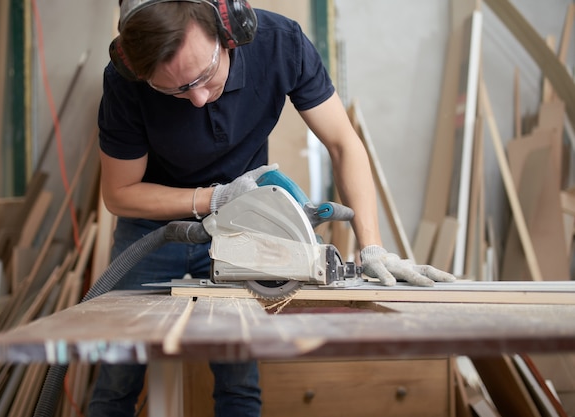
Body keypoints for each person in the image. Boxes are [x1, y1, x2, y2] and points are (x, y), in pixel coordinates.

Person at [91, 0, 456, 416]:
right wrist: (216, 197)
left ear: (229, 31)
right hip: (151, 232)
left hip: (240, 229)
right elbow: (119, 193)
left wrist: (371, 246)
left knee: (239, 380)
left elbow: (342, 142)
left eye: (205, 77)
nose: (196, 99)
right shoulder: (124, 83)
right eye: (173, 89)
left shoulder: (280, 44)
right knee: (117, 378)